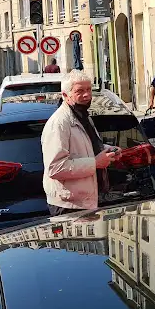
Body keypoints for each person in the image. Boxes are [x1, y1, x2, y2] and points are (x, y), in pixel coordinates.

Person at [42, 70, 121, 215]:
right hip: (70, 206)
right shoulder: (59, 123)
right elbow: (55, 168)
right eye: (80, 91)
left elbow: (85, 146)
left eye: (89, 89)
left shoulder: (82, 115)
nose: (87, 95)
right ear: (66, 95)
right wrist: (95, 163)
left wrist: (107, 150)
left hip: (87, 201)